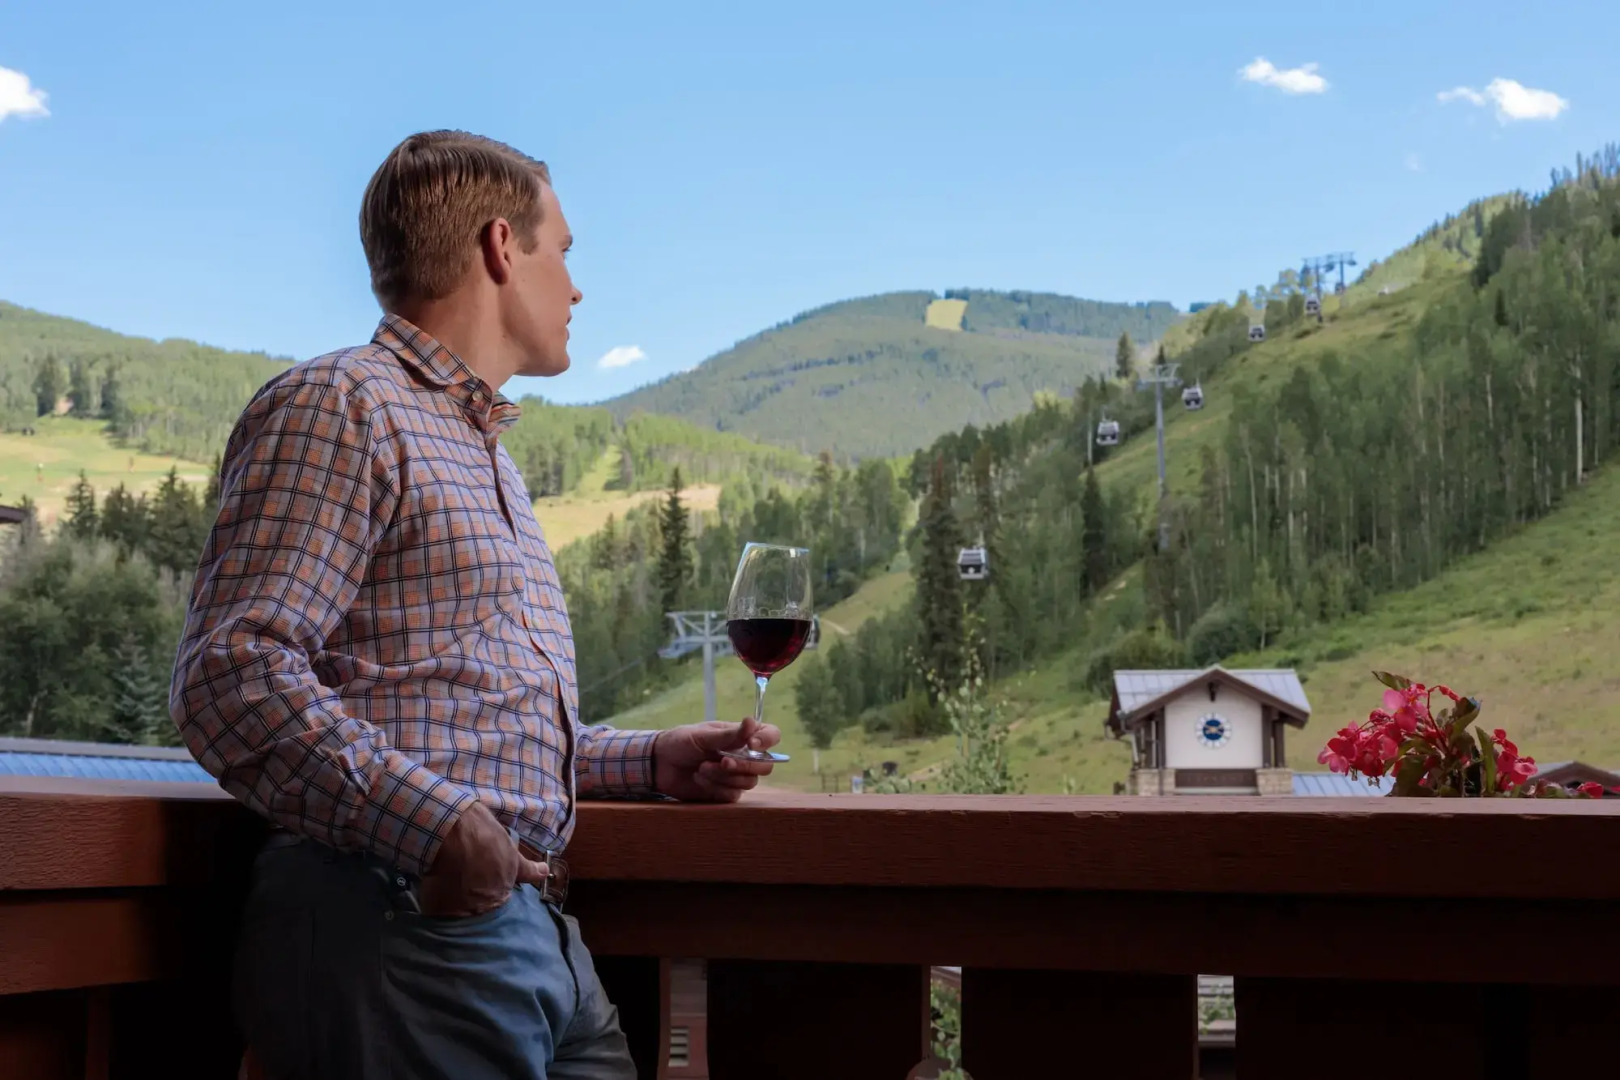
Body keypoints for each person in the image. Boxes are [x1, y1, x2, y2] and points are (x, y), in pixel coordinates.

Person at [170, 129, 781, 1080]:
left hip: (517, 932)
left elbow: (456, 714)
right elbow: (230, 673)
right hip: (402, 925)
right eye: (564, 253)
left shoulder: (481, 447)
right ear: (503, 247)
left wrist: (651, 759)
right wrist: (441, 830)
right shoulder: (343, 404)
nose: (576, 288)